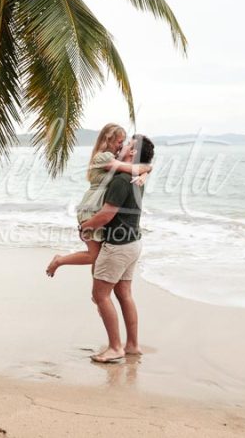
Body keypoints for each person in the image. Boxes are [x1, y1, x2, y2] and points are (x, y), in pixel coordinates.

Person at [78, 134, 155, 363]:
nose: (122, 146)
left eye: (128, 145)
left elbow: (107, 214)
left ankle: (115, 348)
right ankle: (132, 345)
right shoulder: (136, 177)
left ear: (132, 153)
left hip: (118, 246)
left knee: (100, 295)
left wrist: (86, 226)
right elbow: (143, 168)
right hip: (133, 243)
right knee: (124, 294)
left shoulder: (122, 180)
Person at [46, 124, 152, 277]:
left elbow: (136, 167)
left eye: (124, 143)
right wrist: (146, 171)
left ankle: (97, 293)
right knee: (94, 255)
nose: (121, 146)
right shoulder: (102, 157)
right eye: (119, 142)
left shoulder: (115, 159)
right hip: (90, 209)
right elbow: (132, 168)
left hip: (96, 208)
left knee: (98, 256)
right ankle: (59, 261)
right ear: (108, 140)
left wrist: (145, 173)